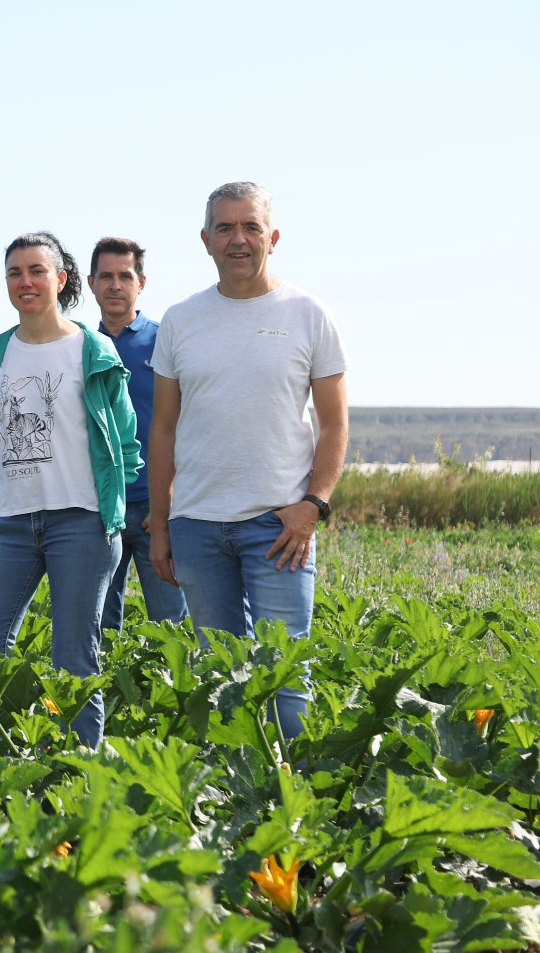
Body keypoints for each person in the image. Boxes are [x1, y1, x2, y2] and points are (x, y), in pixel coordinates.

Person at [148, 181, 348, 739]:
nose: (238, 239)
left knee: (286, 678)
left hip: (278, 527)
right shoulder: (181, 320)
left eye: (251, 226)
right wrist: (162, 526)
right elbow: (162, 430)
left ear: (273, 237)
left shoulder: (309, 313)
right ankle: (236, 800)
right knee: (222, 679)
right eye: (225, 228)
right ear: (206, 240)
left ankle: (291, 801)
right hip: (197, 527)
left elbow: (334, 424)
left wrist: (314, 506)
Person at [0, 232, 141, 746]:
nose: (25, 282)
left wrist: (112, 511)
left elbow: (125, 442)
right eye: (15, 273)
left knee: (75, 658)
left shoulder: (93, 348)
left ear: (61, 279)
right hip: (11, 521)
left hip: (80, 522)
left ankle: (79, 768)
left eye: (37, 271)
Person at [88, 237, 188, 635]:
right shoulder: (79, 346)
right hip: (97, 512)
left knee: (170, 630)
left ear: (141, 282)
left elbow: (189, 422)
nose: (115, 285)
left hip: (156, 511)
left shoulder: (167, 340)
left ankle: (167, 699)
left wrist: (171, 498)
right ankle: (109, 699)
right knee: (97, 630)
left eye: (124, 276)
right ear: (92, 282)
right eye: (106, 276)